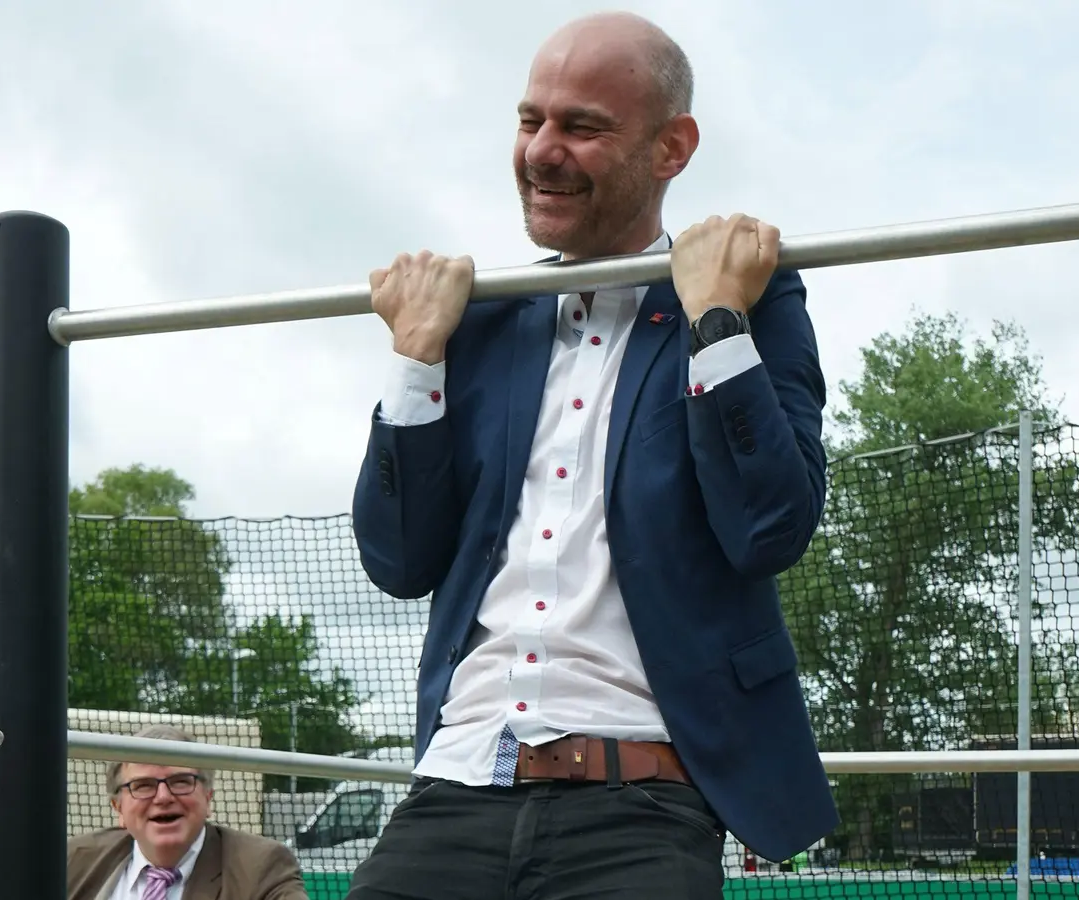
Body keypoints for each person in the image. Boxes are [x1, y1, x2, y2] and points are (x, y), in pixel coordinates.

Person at [347, 10, 838, 899]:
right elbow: (397, 559)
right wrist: (415, 356)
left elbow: (770, 527)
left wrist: (716, 322)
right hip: (458, 778)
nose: (542, 151)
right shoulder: (481, 320)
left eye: (582, 127)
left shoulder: (748, 299)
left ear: (671, 147)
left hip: (641, 798)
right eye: (531, 120)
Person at [66, 724, 309, 900]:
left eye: (181, 782)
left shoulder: (262, 866)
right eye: (143, 786)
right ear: (118, 808)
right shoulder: (72, 860)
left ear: (207, 797)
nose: (163, 797)